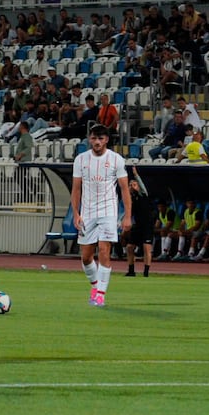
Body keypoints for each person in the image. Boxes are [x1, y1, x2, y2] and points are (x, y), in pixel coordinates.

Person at [71, 124, 132, 307]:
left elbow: (124, 189)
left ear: (106, 140)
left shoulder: (116, 160)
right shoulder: (81, 160)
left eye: (101, 138)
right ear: (90, 139)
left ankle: (100, 295)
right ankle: (95, 285)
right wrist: (76, 214)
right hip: (87, 213)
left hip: (108, 212)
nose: (97, 142)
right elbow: (76, 189)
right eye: (94, 138)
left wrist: (127, 215)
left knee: (105, 251)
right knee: (86, 257)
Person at [123, 166, 153, 277]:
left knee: (146, 248)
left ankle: (146, 272)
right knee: (130, 247)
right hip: (138, 225)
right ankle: (131, 270)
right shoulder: (130, 199)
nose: (132, 187)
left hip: (147, 225)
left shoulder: (143, 195)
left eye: (134, 185)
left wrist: (135, 174)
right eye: (130, 185)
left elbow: (141, 186)